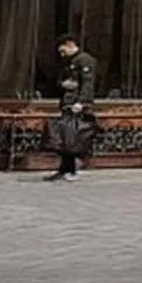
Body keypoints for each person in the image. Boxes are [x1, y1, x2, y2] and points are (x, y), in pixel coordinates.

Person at [44, 35, 99, 181]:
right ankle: (64, 169)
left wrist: (82, 102)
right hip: (67, 103)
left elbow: (88, 83)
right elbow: (62, 79)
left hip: (76, 105)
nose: (62, 55)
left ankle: (72, 169)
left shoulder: (84, 60)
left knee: (72, 138)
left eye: (63, 51)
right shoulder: (68, 61)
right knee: (64, 137)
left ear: (70, 45)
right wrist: (63, 84)